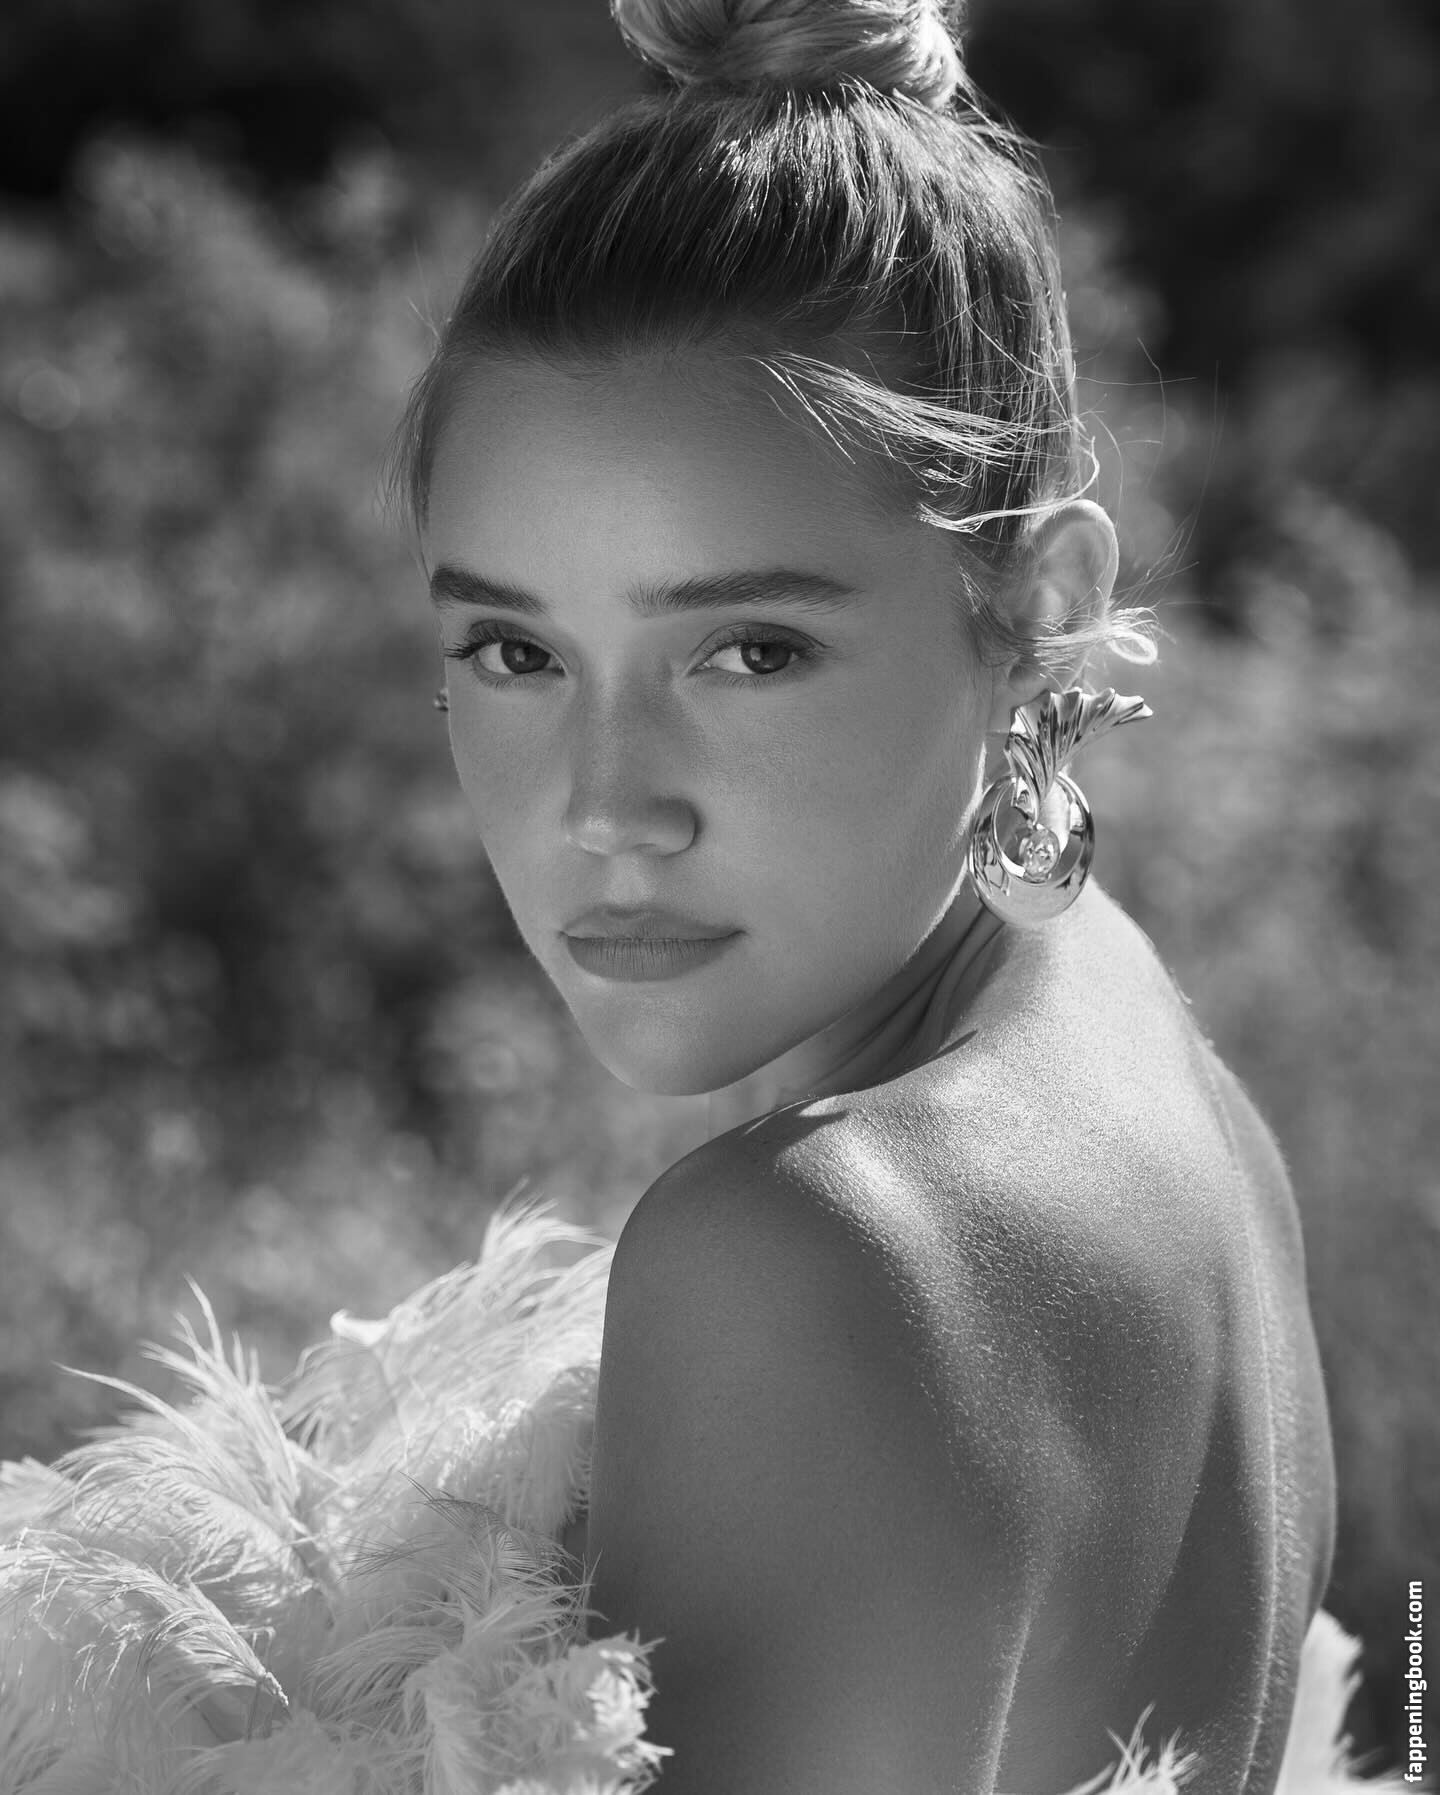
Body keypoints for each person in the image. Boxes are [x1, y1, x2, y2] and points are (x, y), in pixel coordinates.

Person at [383, 2, 1338, 1792]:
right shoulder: (1151, 1061)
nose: (605, 808)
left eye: (749, 648)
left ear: (1040, 606)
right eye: (515, 650)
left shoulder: (809, 1254)